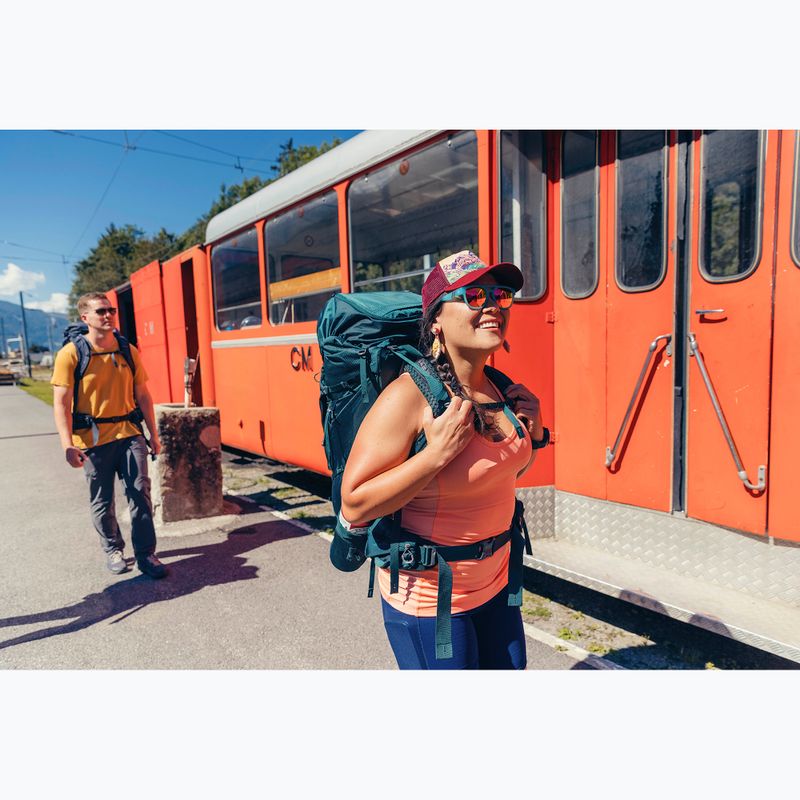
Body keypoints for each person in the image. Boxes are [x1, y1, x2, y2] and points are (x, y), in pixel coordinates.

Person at [340, 250, 548, 669]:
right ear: (436, 321)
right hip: (431, 598)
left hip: (498, 583)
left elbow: (500, 474)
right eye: (473, 295)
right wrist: (436, 456)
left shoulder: (502, 389)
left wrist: (536, 434)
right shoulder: (410, 395)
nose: (492, 305)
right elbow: (355, 502)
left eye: (501, 295)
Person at [51, 292, 167, 579]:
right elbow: (61, 403)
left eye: (111, 310)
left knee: (140, 493)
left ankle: (146, 554)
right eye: (101, 311)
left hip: (129, 434)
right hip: (92, 440)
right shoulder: (71, 354)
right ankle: (113, 549)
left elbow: (143, 394)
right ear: (85, 318)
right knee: (102, 501)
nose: (108, 315)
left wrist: (153, 434)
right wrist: (67, 445)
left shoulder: (128, 350)